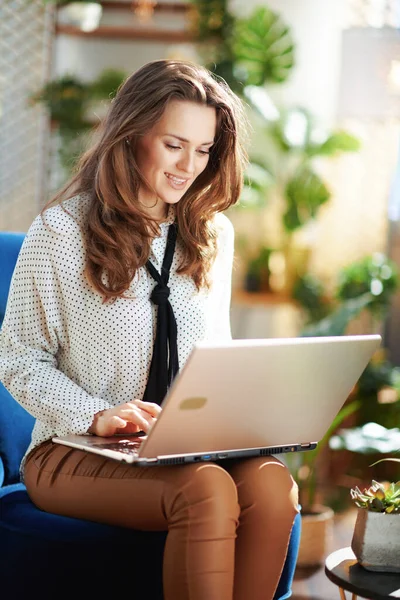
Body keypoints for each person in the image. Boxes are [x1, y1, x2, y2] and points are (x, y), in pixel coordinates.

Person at [0, 59, 299, 600]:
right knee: (206, 491)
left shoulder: (213, 235)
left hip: (184, 447)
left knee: (273, 486)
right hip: (76, 448)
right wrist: (96, 413)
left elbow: (216, 352)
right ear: (132, 135)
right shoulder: (61, 231)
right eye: (174, 145)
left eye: (204, 150)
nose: (189, 166)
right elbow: (19, 360)